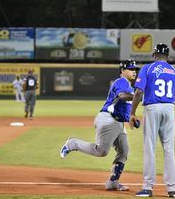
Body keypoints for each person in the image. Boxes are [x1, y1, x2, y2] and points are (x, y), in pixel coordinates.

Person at [59, 59, 138, 191]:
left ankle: (113, 182)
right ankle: (72, 144)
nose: (134, 71)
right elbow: (122, 96)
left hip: (118, 123)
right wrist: (138, 96)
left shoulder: (130, 87)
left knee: (124, 151)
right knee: (101, 151)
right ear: (122, 71)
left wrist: (132, 118)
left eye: (135, 69)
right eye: (131, 69)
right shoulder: (121, 82)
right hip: (108, 120)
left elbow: (124, 107)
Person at [129, 43, 175, 198]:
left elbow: (139, 91)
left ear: (154, 55)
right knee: (169, 149)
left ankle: (147, 188)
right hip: (169, 108)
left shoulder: (148, 68)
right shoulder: (174, 71)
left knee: (149, 147)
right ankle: (172, 190)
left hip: (152, 107)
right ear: (167, 56)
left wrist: (132, 112)